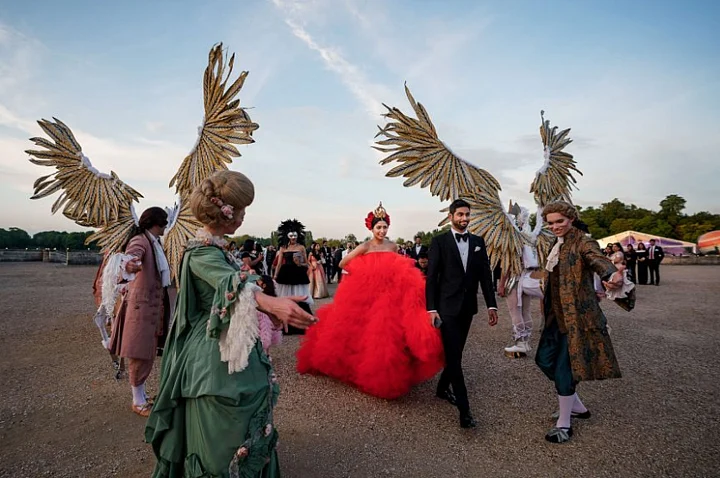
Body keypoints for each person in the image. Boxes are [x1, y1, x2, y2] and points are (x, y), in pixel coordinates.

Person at [145, 170, 317, 477]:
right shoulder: (201, 252)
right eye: (241, 209)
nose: (243, 215)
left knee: (245, 414)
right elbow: (229, 282)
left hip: (228, 342)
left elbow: (239, 281)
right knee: (223, 428)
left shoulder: (217, 247)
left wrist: (270, 306)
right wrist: (270, 303)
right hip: (211, 351)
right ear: (226, 212)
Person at [296, 203, 444, 400]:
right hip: (367, 293)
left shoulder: (393, 246)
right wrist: (363, 272)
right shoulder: (365, 246)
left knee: (389, 330)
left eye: (384, 227)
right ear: (371, 228)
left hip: (390, 294)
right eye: (378, 227)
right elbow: (342, 263)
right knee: (362, 329)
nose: (382, 231)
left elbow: (398, 267)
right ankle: (359, 367)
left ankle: (391, 369)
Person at [536, 201, 624, 444]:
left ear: (571, 219)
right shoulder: (556, 244)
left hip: (576, 318)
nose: (555, 226)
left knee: (564, 369)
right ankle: (577, 406)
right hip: (554, 317)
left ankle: (564, 424)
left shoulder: (583, 242)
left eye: (560, 221)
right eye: (551, 223)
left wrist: (612, 275)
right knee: (543, 360)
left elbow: (597, 259)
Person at [426, 199, 498, 429]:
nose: (464, 218)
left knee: (455, 353)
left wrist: (492, 305)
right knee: (455, 358)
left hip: (467, 308)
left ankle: (441, 389)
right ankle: (465, 411)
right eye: (460, 214)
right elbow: (432, 278)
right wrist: (431, 308)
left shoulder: (478, 242)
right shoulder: (439, 241)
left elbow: (485, 275)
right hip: (446, 308)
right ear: (451, 217)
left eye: (467, 214)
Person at [108, 207, 171, 418]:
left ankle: (141, 396)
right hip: (141, 307)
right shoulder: (141, 241)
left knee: (146, 353)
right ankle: (137, 401)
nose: (166, 226)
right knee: (139, 353)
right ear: (156, 223)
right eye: (164, 222)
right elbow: (132, 256)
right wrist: (130, 264)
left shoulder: (152, 241)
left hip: (149, 307)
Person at [273, 219, 313, 333]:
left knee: (299, 298)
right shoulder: (283, 248)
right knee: (286, 298)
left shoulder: (301, 247)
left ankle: (301, 324)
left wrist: (300, 263)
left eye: (295, 235)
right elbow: (279, 264)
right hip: (285, 274)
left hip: (298, 274)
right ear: (287, 236)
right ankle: (285, 324)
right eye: (291, 236)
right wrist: (275, 275)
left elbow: (306, 264)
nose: (293, 238)